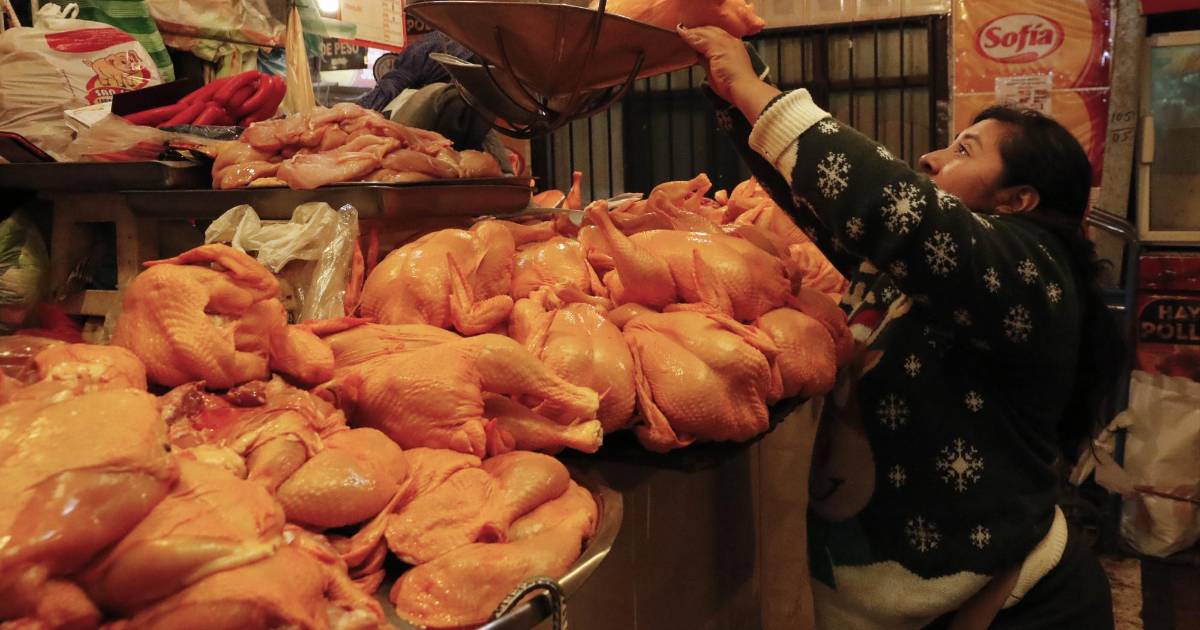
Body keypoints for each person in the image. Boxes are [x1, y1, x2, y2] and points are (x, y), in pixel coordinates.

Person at [678, 25, 1122, 629]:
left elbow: (895, 208)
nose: (931, 158)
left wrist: (758, 96)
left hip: (1015, 609)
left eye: (964, 151)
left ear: (1018, 200)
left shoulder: (1033, 268)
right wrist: (737, 88)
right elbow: (821, 199)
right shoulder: (917, 273)